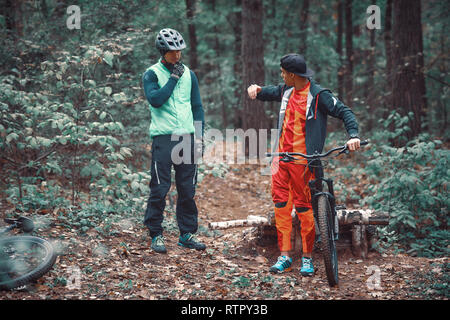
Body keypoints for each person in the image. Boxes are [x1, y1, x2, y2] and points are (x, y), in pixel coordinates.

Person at [247, 53, 360, 276]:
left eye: (282, 72)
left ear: (291, 74)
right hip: (281, 161)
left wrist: (353, 135)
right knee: (281, 208)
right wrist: (258, 90)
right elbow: (270, 91)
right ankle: (285, 256)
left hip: (305, 162)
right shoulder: (286, 90)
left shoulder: (318, 95)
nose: (281, 76)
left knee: (304, 209)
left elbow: (344, 111)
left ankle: (307, 258)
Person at [142, 28, 206, 254]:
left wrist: (199, 136)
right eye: (172, 51)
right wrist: (173, 78)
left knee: (187, 189)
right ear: (163, 51)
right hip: (163, 138)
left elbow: (197, 107)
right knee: (160, 188)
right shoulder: (152, 73)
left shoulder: (189, 73)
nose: (177, 55)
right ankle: (156, 234)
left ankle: (187, 234)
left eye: (179, 50)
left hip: (187, 138)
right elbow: (156, 100)